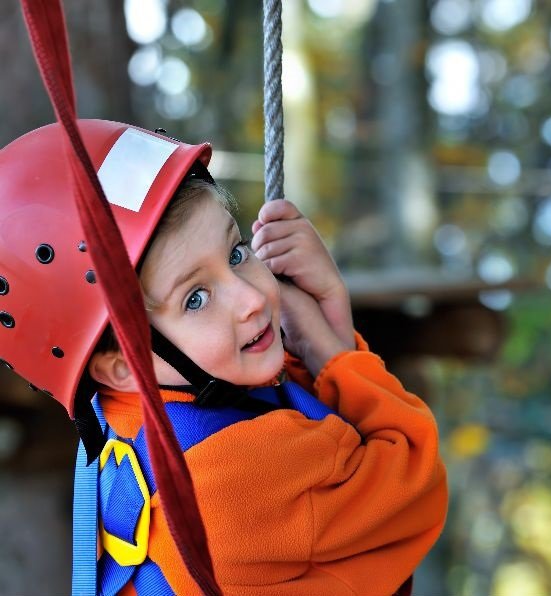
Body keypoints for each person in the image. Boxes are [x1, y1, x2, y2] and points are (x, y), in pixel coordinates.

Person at [0, 120, 447, 595]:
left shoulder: (122, 419)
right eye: (195, 298)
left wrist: (324, 325)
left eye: (235, 254)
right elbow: (416, 486)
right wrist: (330, 348)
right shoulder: (239, 471)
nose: (250, 299)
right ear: (122, 365)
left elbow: (276, 405)